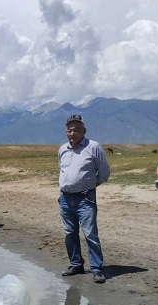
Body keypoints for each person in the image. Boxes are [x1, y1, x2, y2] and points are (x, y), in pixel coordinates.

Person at [58, 114, 110, 283]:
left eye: (76, 130)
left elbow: (104, 173)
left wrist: (89, 187)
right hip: (65, 198)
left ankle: (96, 268)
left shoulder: (93, 147)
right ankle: (76, 264)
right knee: (70, 233)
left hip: (85, 199)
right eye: (69, 130)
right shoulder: (63, 149)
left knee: (90, 234)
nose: (72, 133)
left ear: (84, 131)